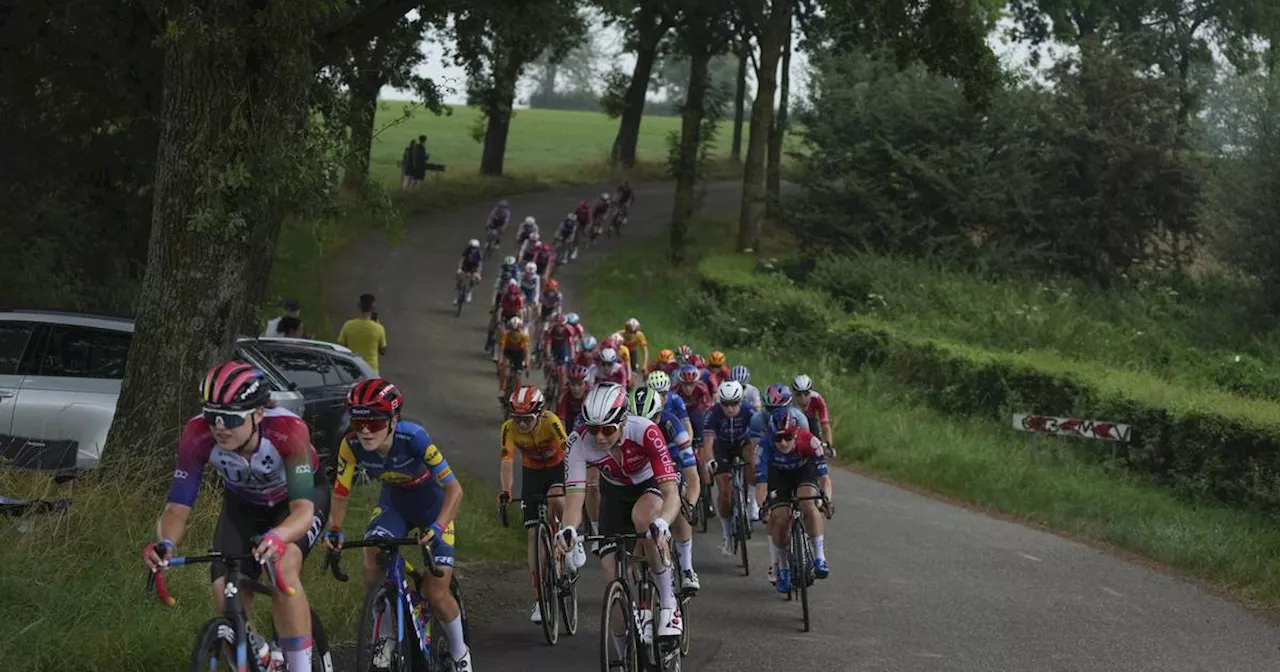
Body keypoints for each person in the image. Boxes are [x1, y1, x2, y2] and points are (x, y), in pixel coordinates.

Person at [143, 361, 330, 672]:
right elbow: (177, 507)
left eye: (230, 418)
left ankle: (300, 667)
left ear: (258, 414)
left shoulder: (288, 429)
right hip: (243, 507)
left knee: (281, 568)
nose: (219, 427)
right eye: (212, 416)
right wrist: (165, 543)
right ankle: (259, 656)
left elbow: (303, 511)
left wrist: (278, 535)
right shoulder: (196, 435)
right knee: (224, 593)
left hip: (296, 504)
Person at [323, 378, 471, 669]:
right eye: (357, 422)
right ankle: (387, 636)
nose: (365, 431)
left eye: (375, 423)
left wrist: (439, 527)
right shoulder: (350, 444)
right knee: (372, 557)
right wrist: (335, 528)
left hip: (433, 508)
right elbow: (341, 492)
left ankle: (459, 652)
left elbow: (455, 489)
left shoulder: (413, 438)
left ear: (393, 420)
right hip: (394, 505)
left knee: (435, 592)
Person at [555, 383, 683, 639]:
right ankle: (624, 649)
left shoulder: (646, 430)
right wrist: (568, 528)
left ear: (623, 421)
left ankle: (670, 606)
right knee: (609, 572)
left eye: (607, 429)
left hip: (648, 486)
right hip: (613, 493)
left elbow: (671, 492)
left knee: (644, 520)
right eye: (593, 429)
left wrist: (664, 523)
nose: (600, 437)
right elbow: (574, 498)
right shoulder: (578, 441)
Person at [497, 386, 570, 624]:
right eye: (517, 419)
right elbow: (507, 461)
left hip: (557, 466)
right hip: (533, 473)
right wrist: (506, 491)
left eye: (527, 419)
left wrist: (576, 480)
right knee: (532, 535)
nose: (522, 425)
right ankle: (540, 599)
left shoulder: (551, 421)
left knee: (557, 499)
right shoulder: (508, 429)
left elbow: (569, 449)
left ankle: (570, 540)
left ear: (539, 414)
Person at [629, 386, 700, 592]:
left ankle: (686, 568)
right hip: (641, 470)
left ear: (659, 416)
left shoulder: (672, 424)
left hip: (671, 465)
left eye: (649, 421)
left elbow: (692, 476)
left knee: (680, 504)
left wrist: (691, 505)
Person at [758, 409, 834, 593]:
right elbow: (761, 484)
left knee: (808, 503)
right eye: (778, 439)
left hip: (803, 472)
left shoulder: (810, 441)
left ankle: (819, 558)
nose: (783, 443)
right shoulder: (764, 447)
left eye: (788, 437)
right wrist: (764, 507)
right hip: (778, 476)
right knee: (780, 517)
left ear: (796, 433)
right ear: (771, 437)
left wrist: (826, 500)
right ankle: (782, 568)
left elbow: (824, 478)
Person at [701, 380, 759, 557]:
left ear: (740, 401)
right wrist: (709, 460)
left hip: (742, 443)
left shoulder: (750, 412)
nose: (730, 408)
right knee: (724, 493)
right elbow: (708, 444)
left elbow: (757, 439)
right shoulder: (713, 414)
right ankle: (726, 535)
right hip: (722, 447)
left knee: (752, 457)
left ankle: (751, 501)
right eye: (726, 404)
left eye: (734, 404)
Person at [751, 383, 810, 532]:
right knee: (775, 515)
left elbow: (807, 448)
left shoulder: (800, 419)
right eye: (769, 409)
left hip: (797, 462)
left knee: (807, 500)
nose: (773, 414)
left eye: (778, 409)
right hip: (773, 463)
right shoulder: (757, 420)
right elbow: (756, 453)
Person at [338, 293, 388, 373]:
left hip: (353, 368)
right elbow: (383, 351)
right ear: (373, 308)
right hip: (371, 370)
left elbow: (341, 347)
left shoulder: (348, 325)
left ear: (359, 306)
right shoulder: (379, 328)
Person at [792, 374, 835, 456]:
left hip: (811, 421)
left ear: (810, 392)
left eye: (806, 393)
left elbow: (825, 425)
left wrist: (829, 445)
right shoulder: (789, 400)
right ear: (794, 393)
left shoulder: (817, 399)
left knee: (817, 444)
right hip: (794, 423)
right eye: (798, 394)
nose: (803, 398)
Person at [497, 316, 531, 397]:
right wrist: (500, 361)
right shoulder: (505, 334)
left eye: (517, 331)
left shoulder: (524, 336)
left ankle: (517, 395)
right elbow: (501, 350)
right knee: (504, 367)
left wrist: (527, 364)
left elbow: (527, 352)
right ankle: (502, 387)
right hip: (508, 351)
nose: (515, 333)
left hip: (519, 353)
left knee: (518, 377)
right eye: (513, 331)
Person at [455, 239, 484, 305]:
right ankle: (458, 295)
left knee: (474, 279)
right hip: (466, 265)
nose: (473, 249)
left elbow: (480, 264)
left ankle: (469, 292)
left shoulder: (479, 253)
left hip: (474, 267)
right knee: (459, 276)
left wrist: (478, 273)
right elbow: (462, 259)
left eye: (475, 248)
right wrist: (459, 269)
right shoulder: (466, 250)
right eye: (472, 248)